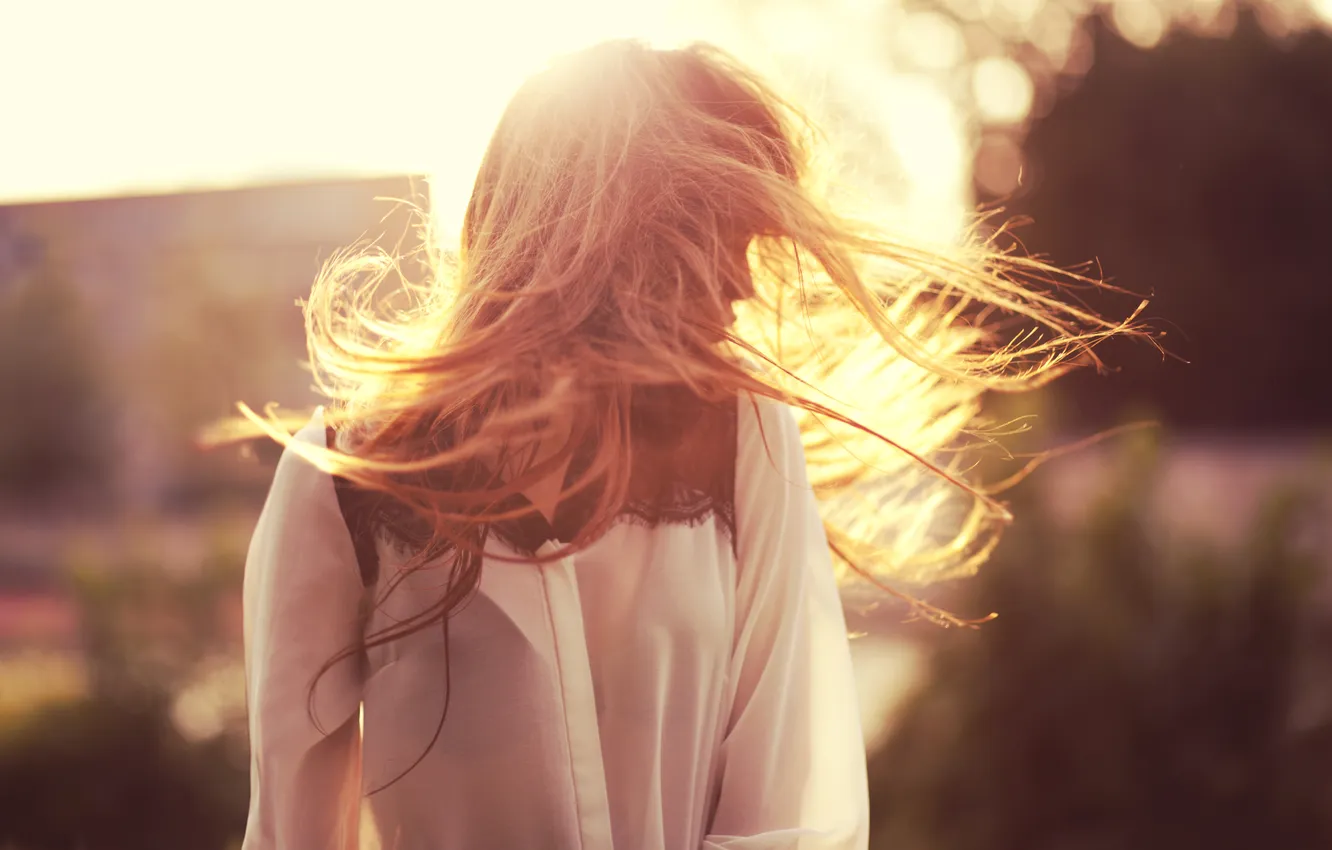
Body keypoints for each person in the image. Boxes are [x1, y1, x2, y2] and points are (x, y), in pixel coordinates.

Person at [237, 39, 1141, 850]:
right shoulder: (340, 484)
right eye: (728, 235)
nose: (749, 283)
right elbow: (290, 834)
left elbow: (796, 814)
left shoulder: (745, 440)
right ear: (622, 238)